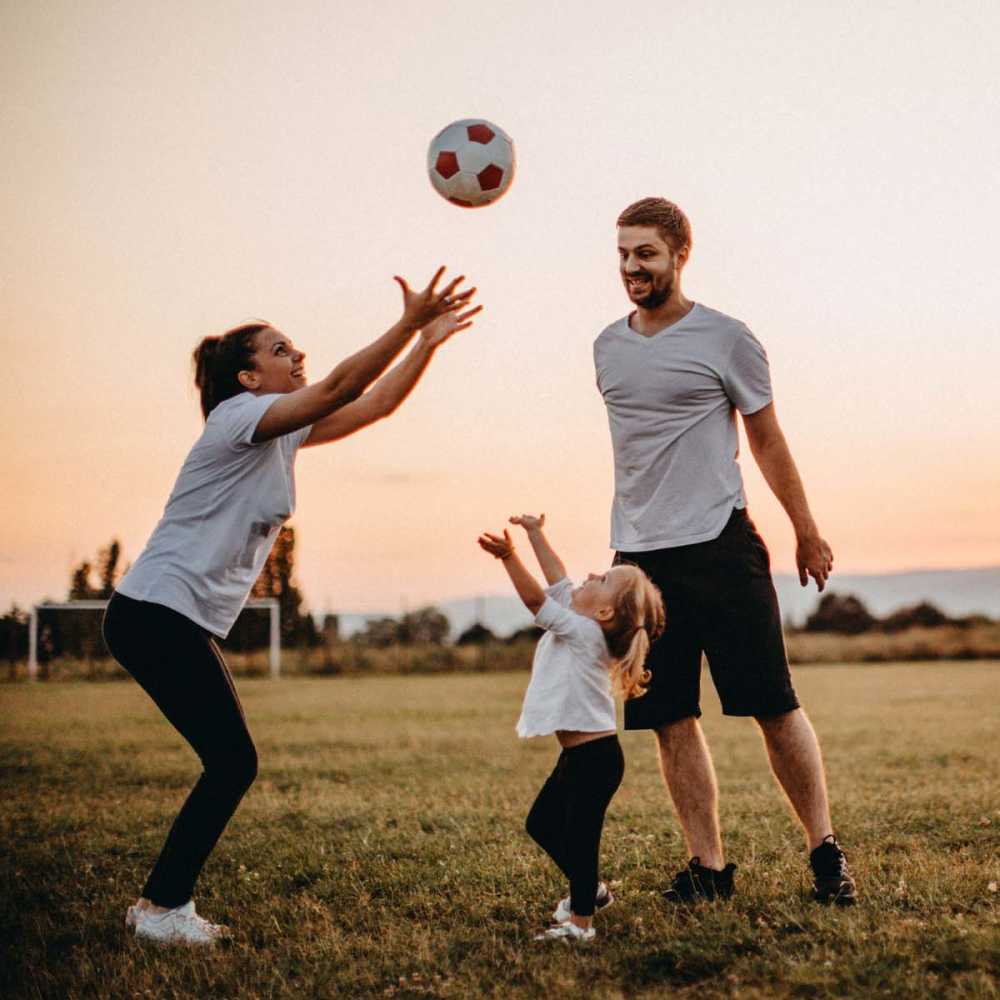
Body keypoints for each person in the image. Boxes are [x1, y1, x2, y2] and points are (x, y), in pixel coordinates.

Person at [103, 268, 481, 946]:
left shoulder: (278, 431)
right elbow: (341, 387)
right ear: (247, 378)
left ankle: (160, 906)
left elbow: (371, 406)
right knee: (233, 762)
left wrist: (426, 343)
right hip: (154, 613)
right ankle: (160, 910)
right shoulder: (238, 419)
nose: (297, 356)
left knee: (230, 761)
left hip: (166, 617)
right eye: (280, 350)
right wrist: (403, 324)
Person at [594, 197, 857, 905]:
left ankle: (824, 853)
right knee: (669, 717)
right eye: (622, 253)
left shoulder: (727, 338)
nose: (630, 267)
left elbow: (766, 439)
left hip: (721, 546)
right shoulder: (606, 347)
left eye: (645, 253)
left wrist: (805, 527)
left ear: (681, 253)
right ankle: (708, 869)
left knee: (772, 703)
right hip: (640, 563)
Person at [478, 513, 665, 942]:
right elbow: (559, 580)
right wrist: (536, 533)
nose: (593, 573)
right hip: (580, 756)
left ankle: (581, 924)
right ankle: (592, 890)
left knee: (581, 839)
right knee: (541, 823)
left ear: (602, 611)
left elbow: (536, 603)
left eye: (602, 579)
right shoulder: (585, 622)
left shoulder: (583, 632)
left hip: (594, 760)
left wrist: (509, 557)